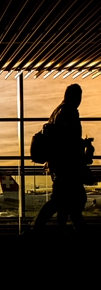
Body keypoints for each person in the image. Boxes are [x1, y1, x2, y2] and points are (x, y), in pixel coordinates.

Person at [31, 84, 92, 234]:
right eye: (78, 96)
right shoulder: (69, 112)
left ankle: (47, 229)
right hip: (67, 166)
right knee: (69, 202)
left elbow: (61, 140)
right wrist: (82, 146)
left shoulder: (57, 112)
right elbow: (68, 142)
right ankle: (38, 228)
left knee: (63, 202)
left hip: (58, 165)